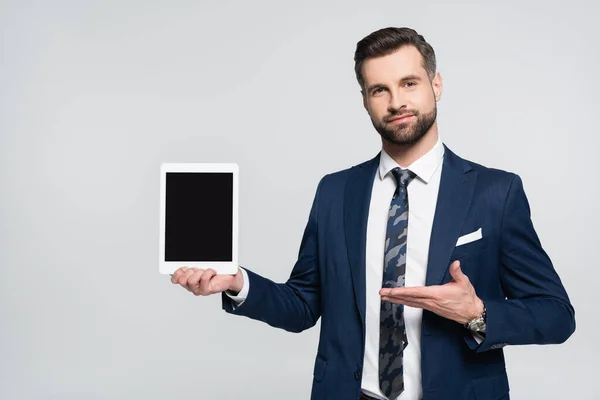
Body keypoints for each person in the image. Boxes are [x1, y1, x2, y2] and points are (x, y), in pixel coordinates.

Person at [170, 27, 575, 400]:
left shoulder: (495, 192)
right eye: (379, 89)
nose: (396, 101)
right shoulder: (335, 191)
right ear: (365, 101)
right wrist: (238, 283)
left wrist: (477, 313)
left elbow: (556, 315)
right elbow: (303, 306)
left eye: (409, 83)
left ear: (436, 84)